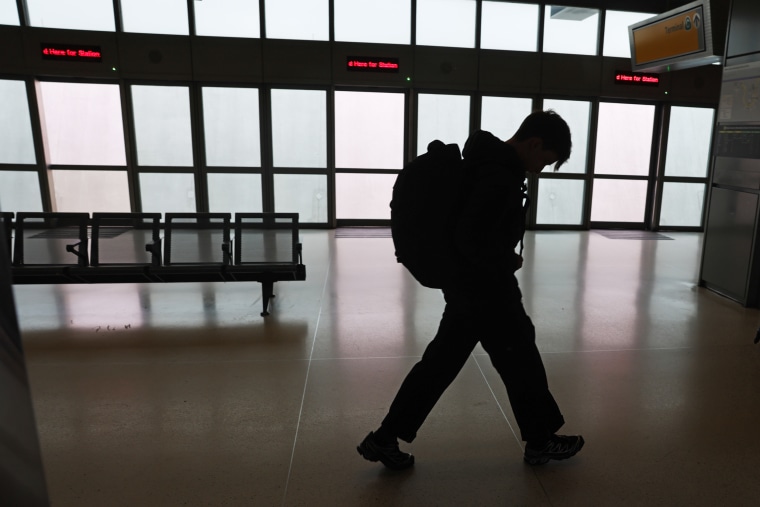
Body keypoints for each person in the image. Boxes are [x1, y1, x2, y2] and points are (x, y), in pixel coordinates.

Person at [357, 110, 584, 469]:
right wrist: (505, 261)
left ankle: (385, 437)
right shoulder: (498, 176)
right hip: (484, 290)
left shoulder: (489, 164)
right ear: (534, 143)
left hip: (473, 287)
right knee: (510, 359)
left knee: (456, 363)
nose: (540, 169)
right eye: (544, 159)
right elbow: (470, 237)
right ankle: (540, 441)